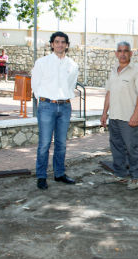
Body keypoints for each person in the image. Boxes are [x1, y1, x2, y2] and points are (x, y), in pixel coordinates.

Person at [31, 31, 79, 190]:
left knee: (61, 143)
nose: (60, 44)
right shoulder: (42, 62)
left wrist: (64, 98)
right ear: (52, 44)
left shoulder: (72, 65)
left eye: (63, 42)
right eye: (57, 41)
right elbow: (35, 84)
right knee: (44, 143)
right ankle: (41, 176)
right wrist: (44, 99)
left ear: (66, 45)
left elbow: (71, 85)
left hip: (65, 106)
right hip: (47, 106)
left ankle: (59, 174)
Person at [100, 41, 138, 190]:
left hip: (129, 118)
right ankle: (120, 174)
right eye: (119, 51)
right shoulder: (113, 70)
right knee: (116, 148)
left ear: (130, 53)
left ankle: (136, 177)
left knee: (132, 148)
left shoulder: (136, 70)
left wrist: (136, 114)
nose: (122, 53)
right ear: (116, 53)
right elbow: (109, 93)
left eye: (125, 51)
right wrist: (104, 113)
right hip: (114, 117)